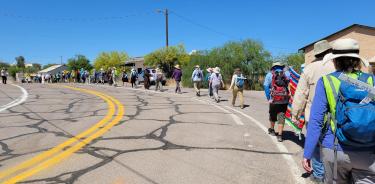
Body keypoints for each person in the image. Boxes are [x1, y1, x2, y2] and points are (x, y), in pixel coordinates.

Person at [302, 38, 375, 184]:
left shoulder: (327, 81)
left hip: (335, 148)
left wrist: (308, 153)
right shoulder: (371, 80)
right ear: (357, 60)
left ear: (335, 60)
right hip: (368, 151)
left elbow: (316, 120)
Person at [291, 40, 334, 183]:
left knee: (315, 146)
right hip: (335, 116)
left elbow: (301, 94)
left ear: (316, 53)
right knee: (333, 146)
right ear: (329, 51)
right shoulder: (337, 65)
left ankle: (319, 175)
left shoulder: (309, 69)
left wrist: (295, 115)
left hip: (313, 116)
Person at [264, 62, 290, 142]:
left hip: (274, 99)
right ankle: (280, 135)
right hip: (284, 99)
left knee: (272, 115)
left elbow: (265, 86)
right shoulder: (287, 73)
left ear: (273, 67)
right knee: (281, 115)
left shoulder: (269, 75)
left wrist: (269, 98)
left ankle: (272, 129)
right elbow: (290, 84)